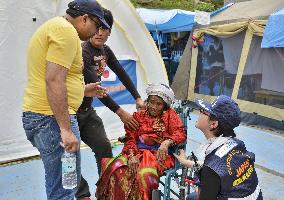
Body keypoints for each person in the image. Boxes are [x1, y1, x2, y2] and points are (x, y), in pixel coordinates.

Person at [22, 1, 109, 199]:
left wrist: (82, 90)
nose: (97, 32)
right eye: (97, 26)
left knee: (61, 185)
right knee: (65, 190)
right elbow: (53, 80)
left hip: (43, 117)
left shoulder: (55, 27)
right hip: (51, 120)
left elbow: (54, 76)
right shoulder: (66, 31)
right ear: (84, 18)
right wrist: (65, 129)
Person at [75, 8, 145, 200]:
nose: (99, 32)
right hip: (70, 113)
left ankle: (105, 190)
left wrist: (137, 97)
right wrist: (120, 111)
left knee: (104, 148)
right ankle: (82, 194)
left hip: (88, 112)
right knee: (69, 158)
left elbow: (122, 73)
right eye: (96, 27)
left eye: (103, 28)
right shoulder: (83, 51)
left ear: (109, 31)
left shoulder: (105, 51)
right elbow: (96, 88)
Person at [95, 83, 187, 200]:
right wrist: (132, 155)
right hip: (135, 151)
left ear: (164, 106)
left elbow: (180, 133)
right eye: (152, 102)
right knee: (116, 169)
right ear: (147, 101)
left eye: (159, 104)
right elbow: (130, 138)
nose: (154, 106)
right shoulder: (138, 116)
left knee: (144, 174)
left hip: (159, 155)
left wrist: (166, 143)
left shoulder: (170, 115)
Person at [174, 95, 263, 200]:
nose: (199, 112)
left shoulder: (211, 169)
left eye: (203, 111)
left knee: (191, 198)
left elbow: (212, 171)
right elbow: (222, 168)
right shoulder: (236, 144)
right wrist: (187, 163)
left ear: (213, 124)